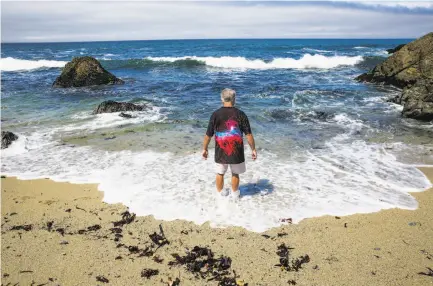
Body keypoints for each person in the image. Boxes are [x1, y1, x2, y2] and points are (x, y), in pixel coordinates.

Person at [202, 88, 257, 199]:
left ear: (222, 99)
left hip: (220, 151)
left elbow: (208, 134)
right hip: (236, 151)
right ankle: (235, 194)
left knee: (220, 173)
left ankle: (219, 194)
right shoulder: (241, 114)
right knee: (235, 173)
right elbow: (248, 135)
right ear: (234, 99)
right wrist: (253, 149)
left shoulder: (215, 114)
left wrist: (205, 148)